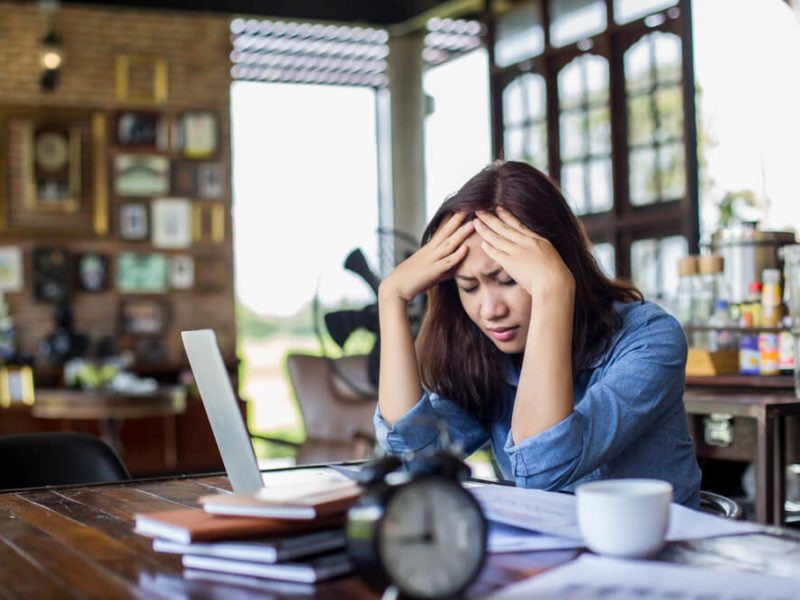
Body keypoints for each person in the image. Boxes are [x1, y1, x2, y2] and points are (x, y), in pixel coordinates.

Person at [374, 160, 701, 508]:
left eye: (509, 280)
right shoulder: (492, 358)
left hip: (654, 556)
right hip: (551, 555)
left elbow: (544, 467)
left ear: (560, 265)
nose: (490, 310)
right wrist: (390, 297)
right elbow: (414, 458)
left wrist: (553, 291)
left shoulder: (651, 339)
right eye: (469, 287)